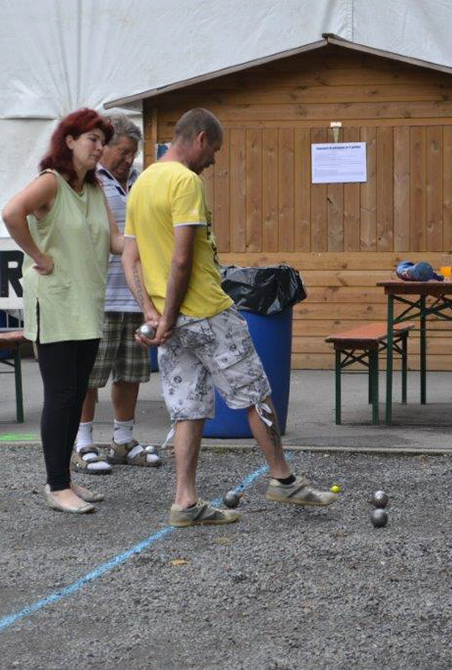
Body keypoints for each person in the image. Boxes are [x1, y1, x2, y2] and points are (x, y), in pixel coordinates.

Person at [122, 108, 336, 527]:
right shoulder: (185, 181)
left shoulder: (143, 181)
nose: (214, 161)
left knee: (188, 408)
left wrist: (153, 313)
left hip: (170, 321)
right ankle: (283, 479)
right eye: (214, 150)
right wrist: (166, 315)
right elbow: (182, 259)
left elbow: (131, 256)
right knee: (256, 393)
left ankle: (185, 502)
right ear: (200, 138)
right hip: (206, 311)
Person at [2, 108, 124, 514]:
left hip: (86, 304)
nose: (99, 147)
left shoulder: (95, 189)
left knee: (76, 396)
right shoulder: (50, 183)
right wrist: (36, 254)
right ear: (69, 141)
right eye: (92, 139)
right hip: (54, 303)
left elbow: (117, 242)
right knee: (61, 395)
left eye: (102, 141)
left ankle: (66, 478)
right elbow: (10, 213)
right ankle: (56, 486)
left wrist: (165, 238)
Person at [72, 113, 161, 474]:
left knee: (130, 372)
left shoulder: (141, 181)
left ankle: (123, 440)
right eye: (122, 152)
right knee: (89, 374)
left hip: (138, 293)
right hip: (99, 293)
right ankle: (81, 443)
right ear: (104, 147)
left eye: (133, 154)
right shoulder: (87, 182)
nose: (128, 160)